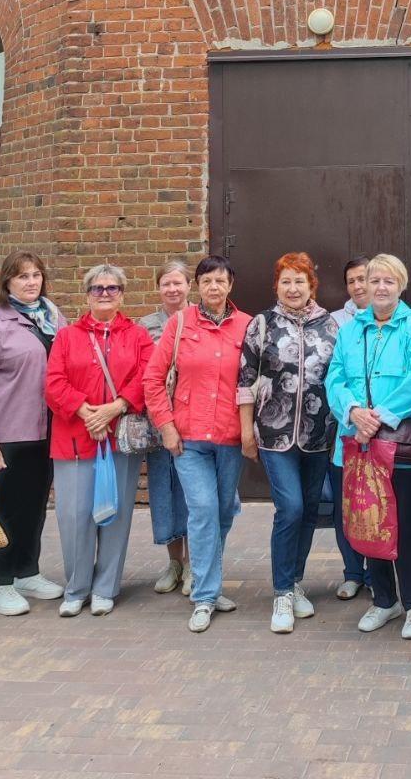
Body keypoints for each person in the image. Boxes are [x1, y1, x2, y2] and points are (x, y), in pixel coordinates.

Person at [325, 253, 411, 640]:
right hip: (357, 445)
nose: (380, 288)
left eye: (389, 281)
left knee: (404, 527)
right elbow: (334, 377)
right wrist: (353, 411)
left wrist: (380, 416)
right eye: (374, 281)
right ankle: (383, 600)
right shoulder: (350, 330)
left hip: (399, 448)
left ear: (401, 286)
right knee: (367, 522)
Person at [144, 255, 250, 634]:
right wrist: (167, 427)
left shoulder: (247, 326)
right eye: (207, 282)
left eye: (220, 281)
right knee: (203, 509)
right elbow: (153, 380)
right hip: (188, 439)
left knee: (221, 513)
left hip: (230, 438)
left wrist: (250, 432)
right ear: (198, 287)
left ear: (230, 285)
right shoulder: (180, 323)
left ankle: (210, 581)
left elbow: (256, 382)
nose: (214, 288)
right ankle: (204, 596)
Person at [237, 252, 340, 633]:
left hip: (319, 434)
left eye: (300, 281)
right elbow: (245, 380)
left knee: (311, 509)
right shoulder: (262, 324)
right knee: (291, 508)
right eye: (286, 281)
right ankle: (281, 591)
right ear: (276, 286)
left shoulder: (329, 325)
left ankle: (295, 582)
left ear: (311, 285)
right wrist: (247, 431)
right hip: (274, 434)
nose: (292, 288)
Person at [44, 264, 154, 618]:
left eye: (112, 288)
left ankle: (106, 586)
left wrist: (116, 407)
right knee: (75, 517)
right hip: (75, 439)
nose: (104, 294)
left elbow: (147, 376)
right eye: (97, 288)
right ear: (87, 293)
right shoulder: (67, 336)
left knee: (115, 516)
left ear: (122, 293)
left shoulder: (137, 335)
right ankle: (77, 587)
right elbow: (54, 382)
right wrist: (85, 411)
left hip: (118, 439)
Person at [0, 251, 67, 617]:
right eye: (22, 276)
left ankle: (28, 571)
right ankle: (1, 583)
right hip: (9, 432)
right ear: (6, 282)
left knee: (34, 506)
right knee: (5, 509)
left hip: (48, 431)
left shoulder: (54, 318)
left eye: (36, 275)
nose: (31, 282)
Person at [138, 260, 193, 597]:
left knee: (193, 493)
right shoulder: (145, 326)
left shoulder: (199, 320)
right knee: (165, 492)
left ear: (190, 286)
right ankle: (174, 561)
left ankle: (193, 563)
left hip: (194, 420)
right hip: (159, 422)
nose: (173, 290)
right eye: (166, 284)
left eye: (178, 283)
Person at [328, 256, 371, 599]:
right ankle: (353, 571)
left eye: (365, 279)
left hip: (383, 430)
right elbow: (333, 375)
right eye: (352, 280)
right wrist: (352, 411)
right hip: (345, 426)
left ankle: (378, 572)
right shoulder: (335, 323)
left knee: (377, 503)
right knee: (348, 504)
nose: (359, 286)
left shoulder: (405, 321)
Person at [330, 256, 370, 329]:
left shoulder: (391, 315)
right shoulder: (335, 320)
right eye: (351, 282)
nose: (356, 287)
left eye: (361, 279)